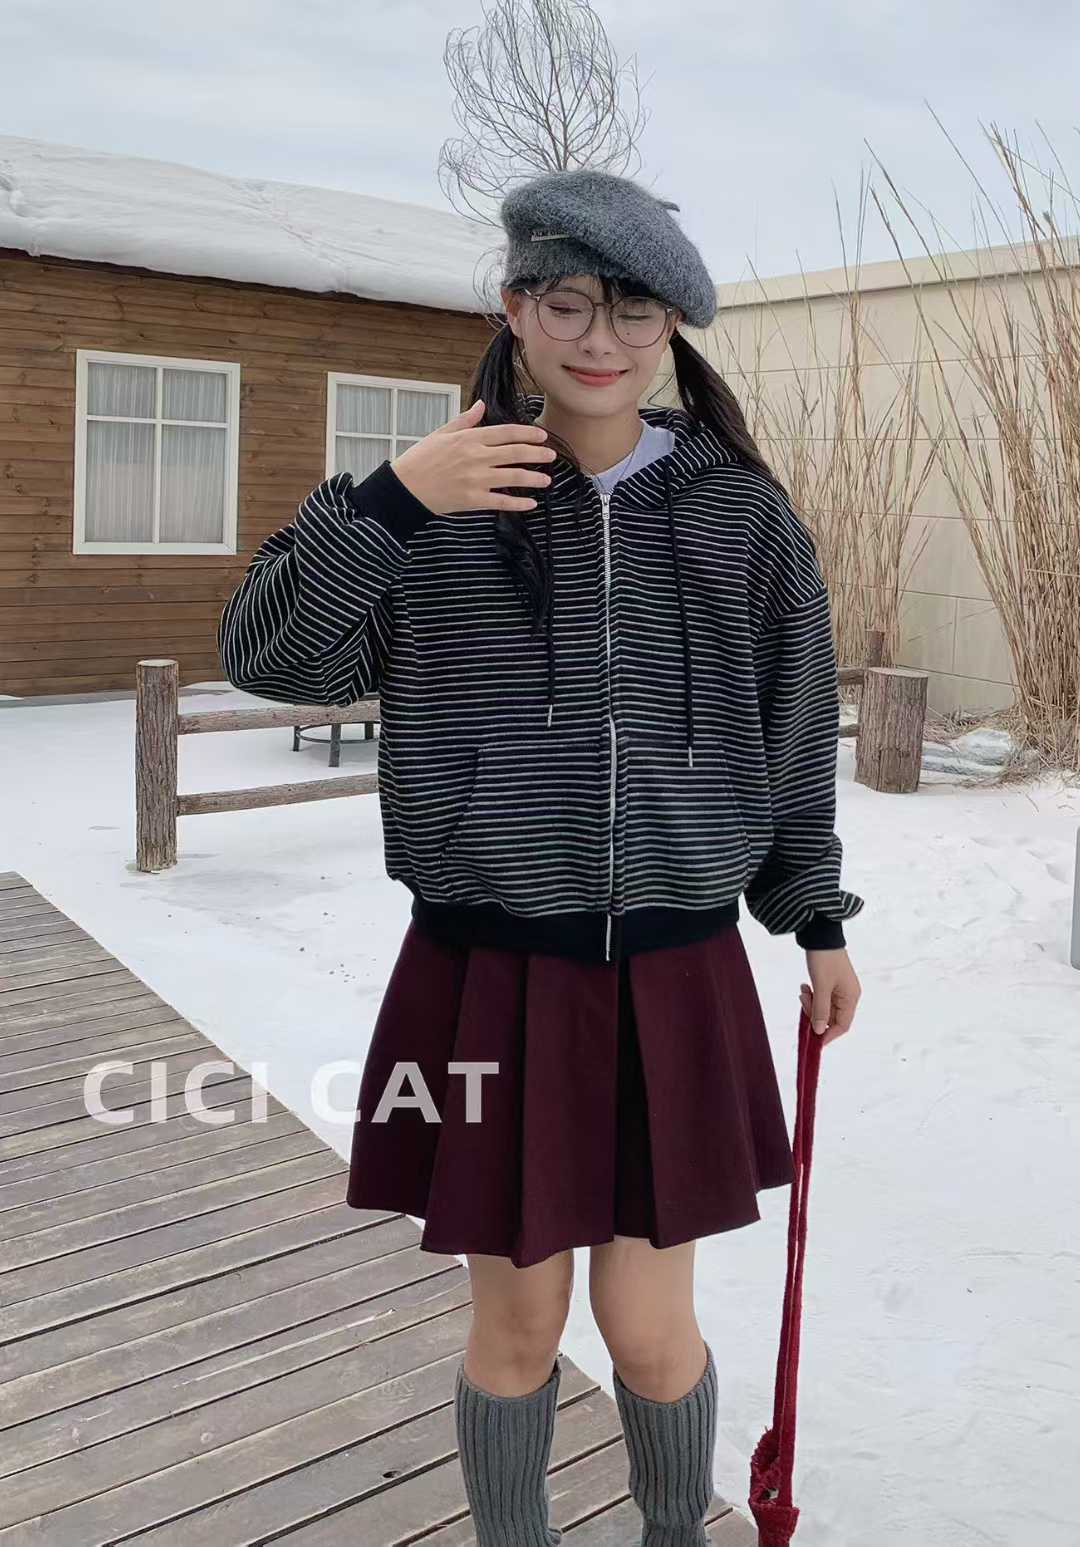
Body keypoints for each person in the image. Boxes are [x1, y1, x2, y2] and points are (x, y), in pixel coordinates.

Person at [217, 166, 864, 1547]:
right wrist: (393, 502)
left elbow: (793, 723)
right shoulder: (435, 498)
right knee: (516, 1327)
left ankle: (673, 1533)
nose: (598, 339)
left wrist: (812, 913)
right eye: (565, 303)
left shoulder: (740, 513)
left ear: (671, 328)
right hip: (492, 976)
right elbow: (269, 658)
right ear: (513, 310)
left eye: (633, 312)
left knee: (649, 1328)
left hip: (674, 975)